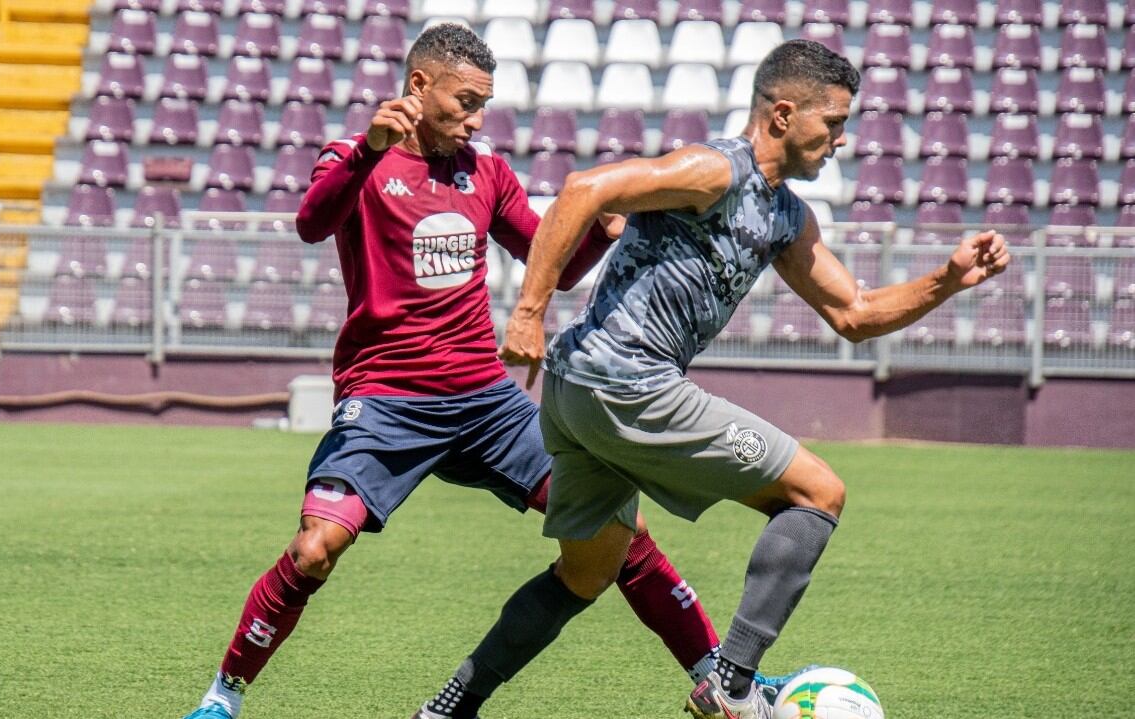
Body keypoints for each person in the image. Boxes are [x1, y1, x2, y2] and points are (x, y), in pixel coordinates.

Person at [413, 39, 1011, 719]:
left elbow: (854, 312)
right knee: (818, 492)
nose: (840, 141)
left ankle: (449, 707)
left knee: (586, 571)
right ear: (783, 115)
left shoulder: (786, 215)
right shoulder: (712, 171)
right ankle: (729, 683)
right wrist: (526, 310)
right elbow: (585, 189)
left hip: (576, 389)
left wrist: (947, 278)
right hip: (624, 379)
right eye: (833, 123)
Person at [180, 24, 751, 719]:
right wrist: (369, 149)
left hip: (487, 402)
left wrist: (596, 237)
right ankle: (223, 696)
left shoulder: (486, 173)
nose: (476, 118)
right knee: (313, 549)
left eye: (484, 103)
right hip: (385, 401)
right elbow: (310, 222)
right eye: (465, 100)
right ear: (419, 87)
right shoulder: (353, 158)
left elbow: (552, 264)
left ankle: (717, 678)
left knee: (617, 531)